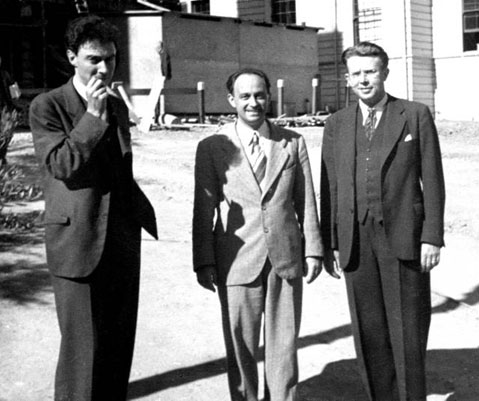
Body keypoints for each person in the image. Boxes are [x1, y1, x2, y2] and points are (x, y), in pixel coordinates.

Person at [29, 15, 157, 401]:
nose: (105, 68)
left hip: (120, 241)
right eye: (94, 59)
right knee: (81, 356)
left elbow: (120, 169)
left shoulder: (115, 105)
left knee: (117, 352)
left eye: (112, 59)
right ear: (72, 58)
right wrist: (92, 118)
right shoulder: (47, 105)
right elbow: (60, 165)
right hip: (77, 242)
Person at [320, 41, 445, 401]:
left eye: (370, 71)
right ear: (347, 79)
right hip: (356, 241)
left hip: (404, 238)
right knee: (369, 333)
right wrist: (332, 242)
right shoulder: (336, 124)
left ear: (385, 74)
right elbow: (329, 185)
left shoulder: (414, 114)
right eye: (356, 73)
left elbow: (432, 180)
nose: (363, 80)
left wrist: (431, 237)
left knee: (407, 332)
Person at [193, 67, 324, 401]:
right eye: (245, 96)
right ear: (231, 100)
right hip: (236, 259)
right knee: (242, 344)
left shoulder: (292, 142)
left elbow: (305, 199)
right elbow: (203, 209)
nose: (253, 103)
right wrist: (204, 260)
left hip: (285, 255)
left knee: (284, 344)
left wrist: (314, 250)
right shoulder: (211, 147)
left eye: (260, 95)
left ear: (269, 96)